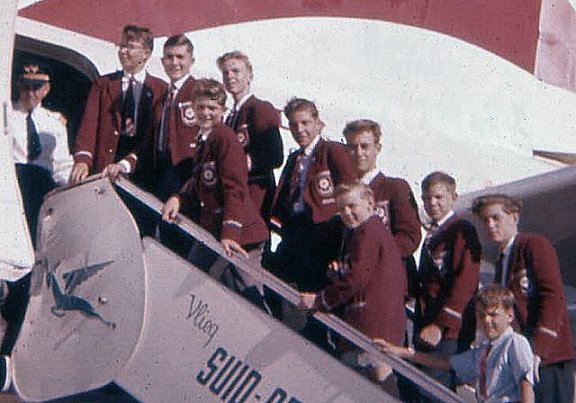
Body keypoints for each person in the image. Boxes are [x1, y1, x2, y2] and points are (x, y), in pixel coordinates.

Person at [161, 79, 269, 306]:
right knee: (191, 283)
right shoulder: (205, 139)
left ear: (222, 110)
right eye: (200, 107)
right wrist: (177, 198)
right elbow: (199, 181)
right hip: (214, 230)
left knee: (250, 299)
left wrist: (230, 232)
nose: (206, 113)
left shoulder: (224, 138)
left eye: (212, 108)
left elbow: (235, 187)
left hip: (241, 236)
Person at [299, 183, 406, 384]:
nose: (347, 213)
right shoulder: (372, 233)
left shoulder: (367, 232)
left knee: (373, 381)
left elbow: (357, 278)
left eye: (352, 206)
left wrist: (320, 300)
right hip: (380, 323)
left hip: (371, 324)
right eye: (341, 209)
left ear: (370, 203)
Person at [472, 194, 575, 403]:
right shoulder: (502, 260)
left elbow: (553, 296)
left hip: (547, 359)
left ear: (515, 217)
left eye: (496, 218)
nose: (490, 225)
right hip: (520, 359)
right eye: (485, 221)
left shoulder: (534, 246)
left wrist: (540, 349)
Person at [4, 60, 73, 361]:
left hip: (37, 193)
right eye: (25, 85)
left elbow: (62, 168)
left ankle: (8, 347)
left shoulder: (54, 123)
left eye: (36, 86)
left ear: (46, 89)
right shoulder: (5, 114)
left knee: (29, 267)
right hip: (9, 186)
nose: (30, 92)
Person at [376, 285, 535, 403]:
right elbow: (448, 363)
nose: (487, 321)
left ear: (510, 315)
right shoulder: (484, 350)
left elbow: (525, 383)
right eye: (482, 315)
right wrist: (401, 352)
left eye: (493, 315)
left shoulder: (515, 342)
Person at [270, 98, 357, 293]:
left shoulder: (331, 151)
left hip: (321, 233)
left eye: (305, 123)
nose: (299, 130)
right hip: (294, 230)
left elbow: (351, 191)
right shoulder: (295, 157)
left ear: (318, 124)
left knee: (309, 289)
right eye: (293, 124)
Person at [69, 24, 167, 187]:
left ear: (146, 54)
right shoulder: (103, 84)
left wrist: (127, 163)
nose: (123, 51)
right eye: (121, 46)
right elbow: (89, 125)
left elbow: (153, 136)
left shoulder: (160, 89)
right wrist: (83, 159)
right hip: (105, 167)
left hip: (140, 170)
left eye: (130, 47)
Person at [415, 171, 481, 390]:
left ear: (454, 197)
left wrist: (442, 326)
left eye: (438, 197)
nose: (432, 203)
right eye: (426, 198)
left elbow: (465, 283)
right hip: (427, 322)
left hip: (448, 331)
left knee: (434, 388)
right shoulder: (434, 233)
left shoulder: (461, 231)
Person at [343, 119, 421, 297]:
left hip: (387, 283)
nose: (359, 153)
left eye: (365, 146)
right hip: (353, 284)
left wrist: (375, 257)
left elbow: (410, 236)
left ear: (377, 148)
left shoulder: (394, 188)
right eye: (353, 147)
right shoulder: (343, 192)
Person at [217, 51, 283, 221]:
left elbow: (275, 155)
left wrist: (242, 162)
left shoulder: (259, 109)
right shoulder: (231, 116)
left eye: (236, 71)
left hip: (254, 193)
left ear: (249, 75)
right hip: (234, 193)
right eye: (225, 73)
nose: (230, 76)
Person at [150, 33, 198, 201]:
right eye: (169, 57)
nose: (174, 63)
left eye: (180, 57)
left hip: (185, 174)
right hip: (160, 168)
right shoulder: (163, 96)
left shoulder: (199, 92)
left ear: (191, 61)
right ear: (163, 62)